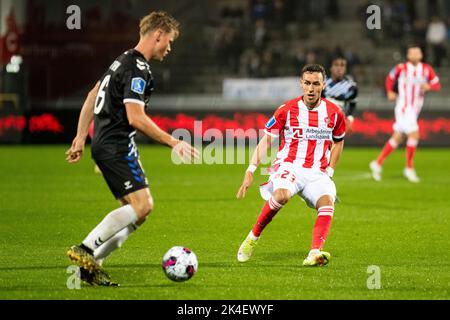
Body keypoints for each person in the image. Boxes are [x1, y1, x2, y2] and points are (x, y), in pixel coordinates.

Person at [65, 11, 199, 286]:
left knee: (138, 214)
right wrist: (173, 141)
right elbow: (135, 117)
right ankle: (86, 249)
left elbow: (92, 95)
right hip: (116, 145)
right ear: (157, 35)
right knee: (142, 206)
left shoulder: (121, 60)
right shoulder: (138, 68)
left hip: (107, 143)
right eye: (169, 41)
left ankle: (91, 268)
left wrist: (81, 137)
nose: (169, 48)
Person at [236, 64, 346, 267]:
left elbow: (338, 140)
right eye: (307, 83)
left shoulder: (335, 113)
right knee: (281, 195)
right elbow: (267, 140)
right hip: (289, 166)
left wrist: (330, 170)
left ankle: (314, 253)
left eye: (316, 84)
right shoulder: (286, 110)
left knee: (327, 203)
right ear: (301, 84)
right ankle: (253, 237)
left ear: (323, 85)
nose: (311, 88)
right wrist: (250, 169)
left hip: (317, 172)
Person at [370, 45, 441, 183]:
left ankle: (377, 163)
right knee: (414, 134)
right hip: (404, 106)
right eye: (412, 52)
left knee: (398, 137)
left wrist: (429, 86)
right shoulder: (401, 67)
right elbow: (390, 78)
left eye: (417, 52)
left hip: (414, 109)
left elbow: (437, 84)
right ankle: (409, 168)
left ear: (421, 55)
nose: (415, 54)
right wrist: (390, 91)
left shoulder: (426, 69)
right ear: (408, 55)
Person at [323, 56, 358, 133]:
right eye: (336, 65)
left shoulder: (351, 87)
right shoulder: (322, 84)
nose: (339, 68)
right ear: (331, 68)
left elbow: (352, 104)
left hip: (339, 122)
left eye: (342, 65)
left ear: (345, 68)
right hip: (322, 121)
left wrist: (349, 119)